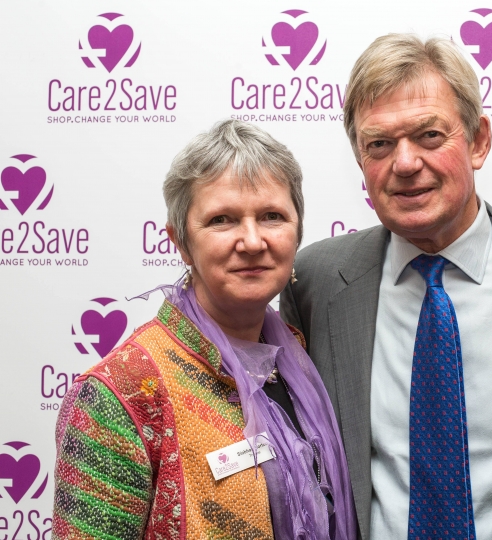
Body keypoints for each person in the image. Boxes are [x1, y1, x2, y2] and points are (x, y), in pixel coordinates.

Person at [279, 34, 492, 540]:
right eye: (379, 144)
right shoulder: (313, 283)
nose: (405, 163)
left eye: (429, 136)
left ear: (478, 141)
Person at [52, 119, 357, 540]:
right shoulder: (121, 393)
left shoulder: (300, 360)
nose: (252, 241)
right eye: (222, 220)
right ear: (180, 241)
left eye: (272, 216)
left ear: (297, 231)